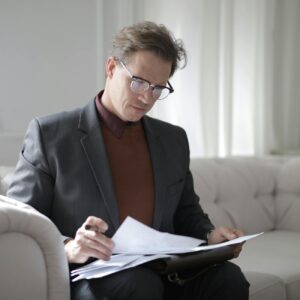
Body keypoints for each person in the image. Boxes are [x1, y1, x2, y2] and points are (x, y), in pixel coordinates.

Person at [7, 21, 249, 299]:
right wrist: (70, 247)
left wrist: (210, 238)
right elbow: (23, 226)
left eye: (158, 88)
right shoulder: (50, 135)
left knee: (228, 278)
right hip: (95, 274)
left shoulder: (173, 140)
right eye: (138, 82)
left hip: (163, 269)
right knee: (138, 285)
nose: (147, 97)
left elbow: (186, 212)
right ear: (111, 68)